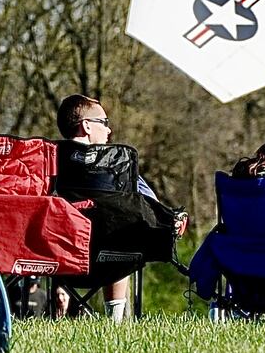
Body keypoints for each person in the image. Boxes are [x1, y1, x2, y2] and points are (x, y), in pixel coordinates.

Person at [54, 95, 186, 321]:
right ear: (86, 125)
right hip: (113, 254)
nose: (109, 130)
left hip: (63, 257)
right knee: (122, 232)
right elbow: (150, 203)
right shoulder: (119, 163)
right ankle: (115, 321)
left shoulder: (51, 160)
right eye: (104, 123)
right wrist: (173, 219)